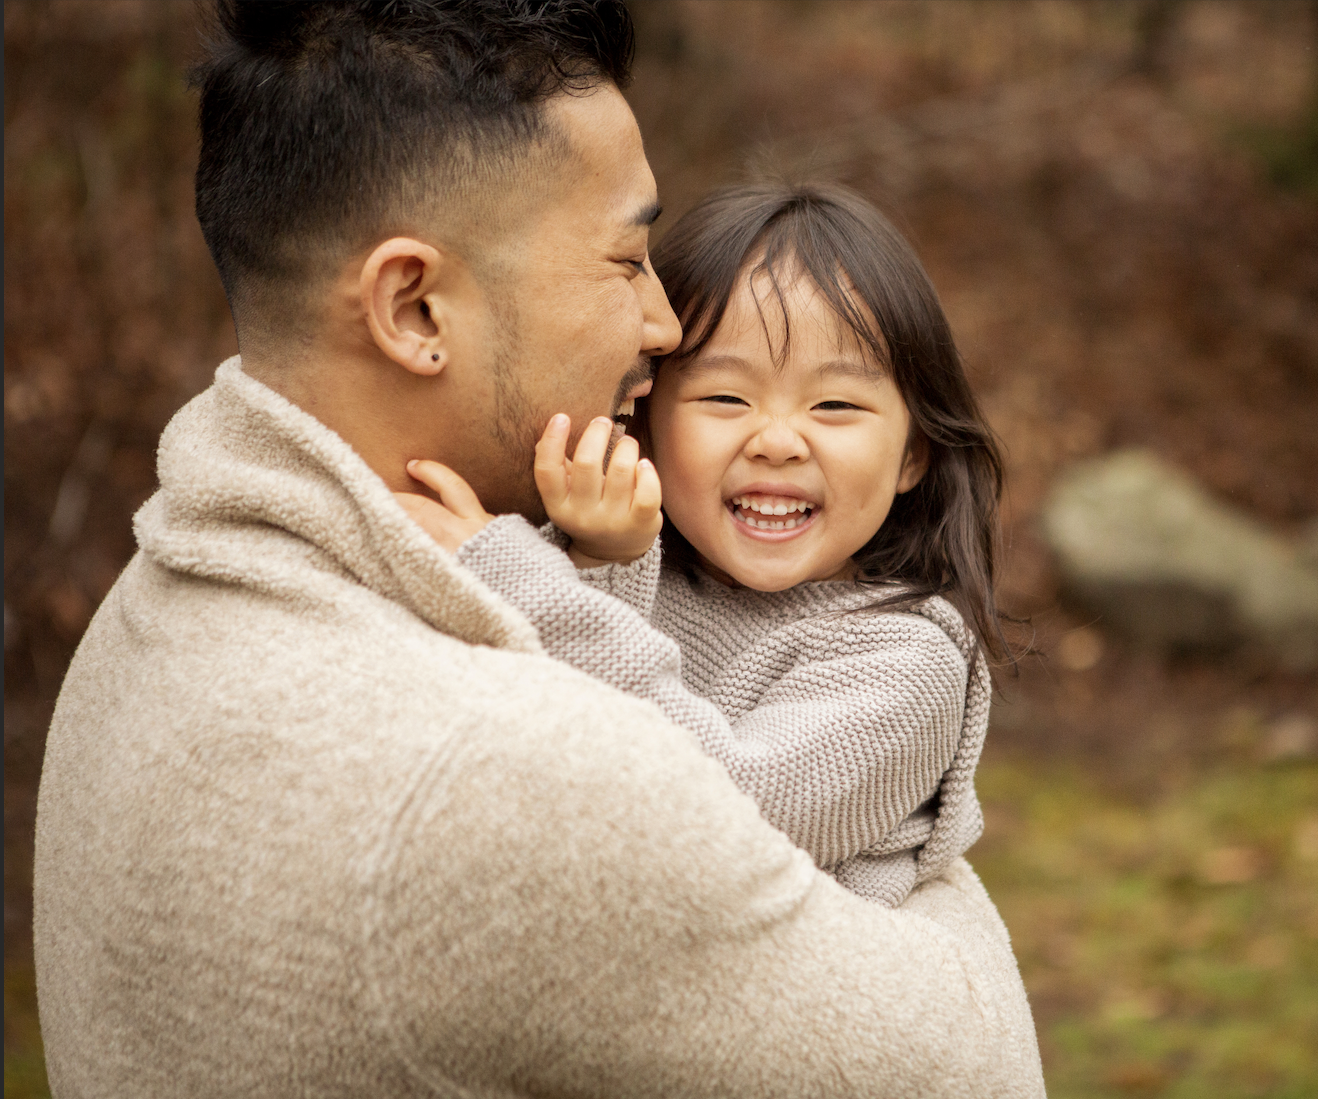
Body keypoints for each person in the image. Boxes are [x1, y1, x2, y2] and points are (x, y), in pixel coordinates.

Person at [32, 1, 1044, 1095]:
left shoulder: (164, 594)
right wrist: (940, 893)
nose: (664, 326)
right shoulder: (506, 784)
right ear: (415, 308)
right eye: (625, 260)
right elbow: (967, 1059)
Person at [398, 180, 1010, 909]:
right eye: (725, 398)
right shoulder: (614, 560)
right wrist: (600, 558)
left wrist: (520, 580)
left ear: (915, 454)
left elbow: (729, 814)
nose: (777, 441)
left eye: (836, 405)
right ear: (647, 419)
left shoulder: (905, 661)